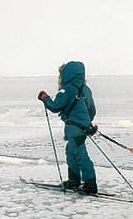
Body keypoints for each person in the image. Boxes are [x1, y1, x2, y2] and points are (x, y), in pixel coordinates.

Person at [38, 61, 99, 194]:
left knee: (79, 154)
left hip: (74, 128)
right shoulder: (86, 89)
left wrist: (45, 98)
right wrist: (87, 124)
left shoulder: (66, 89)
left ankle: (90, 183)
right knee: (72, 152)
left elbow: (55, 106)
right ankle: (74, 180)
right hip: (83, 128)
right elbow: (92, 110)